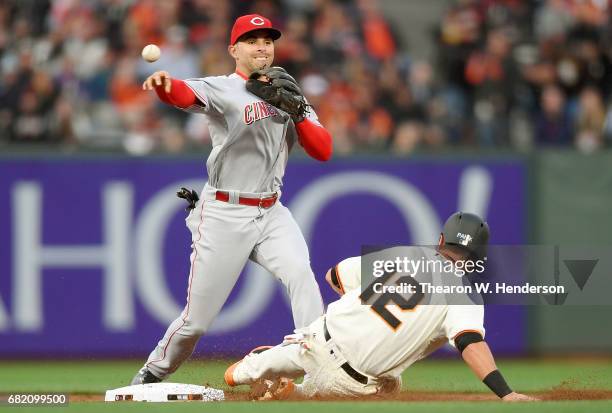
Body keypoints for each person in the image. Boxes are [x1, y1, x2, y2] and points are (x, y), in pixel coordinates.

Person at [131, 14, 333, 385]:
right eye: (252, 40)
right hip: (225, 211)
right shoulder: (224, 88)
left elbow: (323, 150)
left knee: (302, 276)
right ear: (234, 50)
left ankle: (318, 366)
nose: (262, 46)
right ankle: (154, 370)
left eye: (267, 40)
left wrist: (298, 111)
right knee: (196, 321)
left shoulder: (290, 92)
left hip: (272, 211)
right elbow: (184, 93)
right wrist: (163, 85)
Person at [224, 212, 537, 402]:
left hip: (314, 339)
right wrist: (505, 392)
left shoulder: (404, 255)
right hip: (349, 380)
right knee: (386, 385)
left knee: (237, 374)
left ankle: (253, 368)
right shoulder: (465, 294)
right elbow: (469, 342)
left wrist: (363, 306)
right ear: (479, 255)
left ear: (441, 239)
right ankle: (298, 392)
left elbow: (334, 275)